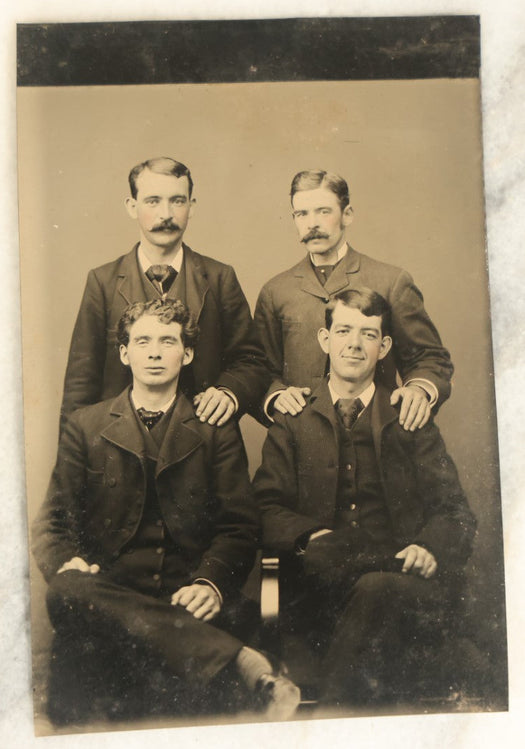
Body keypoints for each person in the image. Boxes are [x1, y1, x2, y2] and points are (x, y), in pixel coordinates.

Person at [33, 298, 299, 723]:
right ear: (124, 353)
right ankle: (241, 662)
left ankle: (224, 656)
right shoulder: (86, 424)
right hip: (111, 592)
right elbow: (52, 523)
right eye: (142, 341)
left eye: (167, 341)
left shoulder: (215, 427)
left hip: (186, 594)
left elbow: (239, 525)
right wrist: (70, 563)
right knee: (66, 586)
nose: (154, 352)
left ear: (187, 353)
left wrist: (210, 584)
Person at [253, 288, 476, 706]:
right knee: (322, 555)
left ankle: (331, 723)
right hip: (317, 586)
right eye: (343, 331)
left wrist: (428, 547)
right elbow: (264, 507)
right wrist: (308, 538)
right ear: (325, 340)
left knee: (375, 587)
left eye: (368, 335)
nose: (354, 344)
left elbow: (454, 511)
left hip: (397, 584)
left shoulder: (410, 417)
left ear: (384, 346)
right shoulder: (294, 418)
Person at [60, 156, 268, 429]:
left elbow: (252, 362)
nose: (166, 214)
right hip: (120, 444)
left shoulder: (219, 278)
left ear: (191, 207)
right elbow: (80, 384)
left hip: (203, 440)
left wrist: (228, 392)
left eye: (177, 201)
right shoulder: (103, 282)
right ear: (132, 207)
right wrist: (72, 464)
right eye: (153, 201)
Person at [254, 169, 453, 431]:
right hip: (303, 440)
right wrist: (278, 395)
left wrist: (418, 389)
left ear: (347, 214)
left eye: (323, 211)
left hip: (377, 435)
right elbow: (258, 369)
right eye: (302, 214)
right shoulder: (276, 291)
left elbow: (429, 358)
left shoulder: (391, 281)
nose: (311, 223)